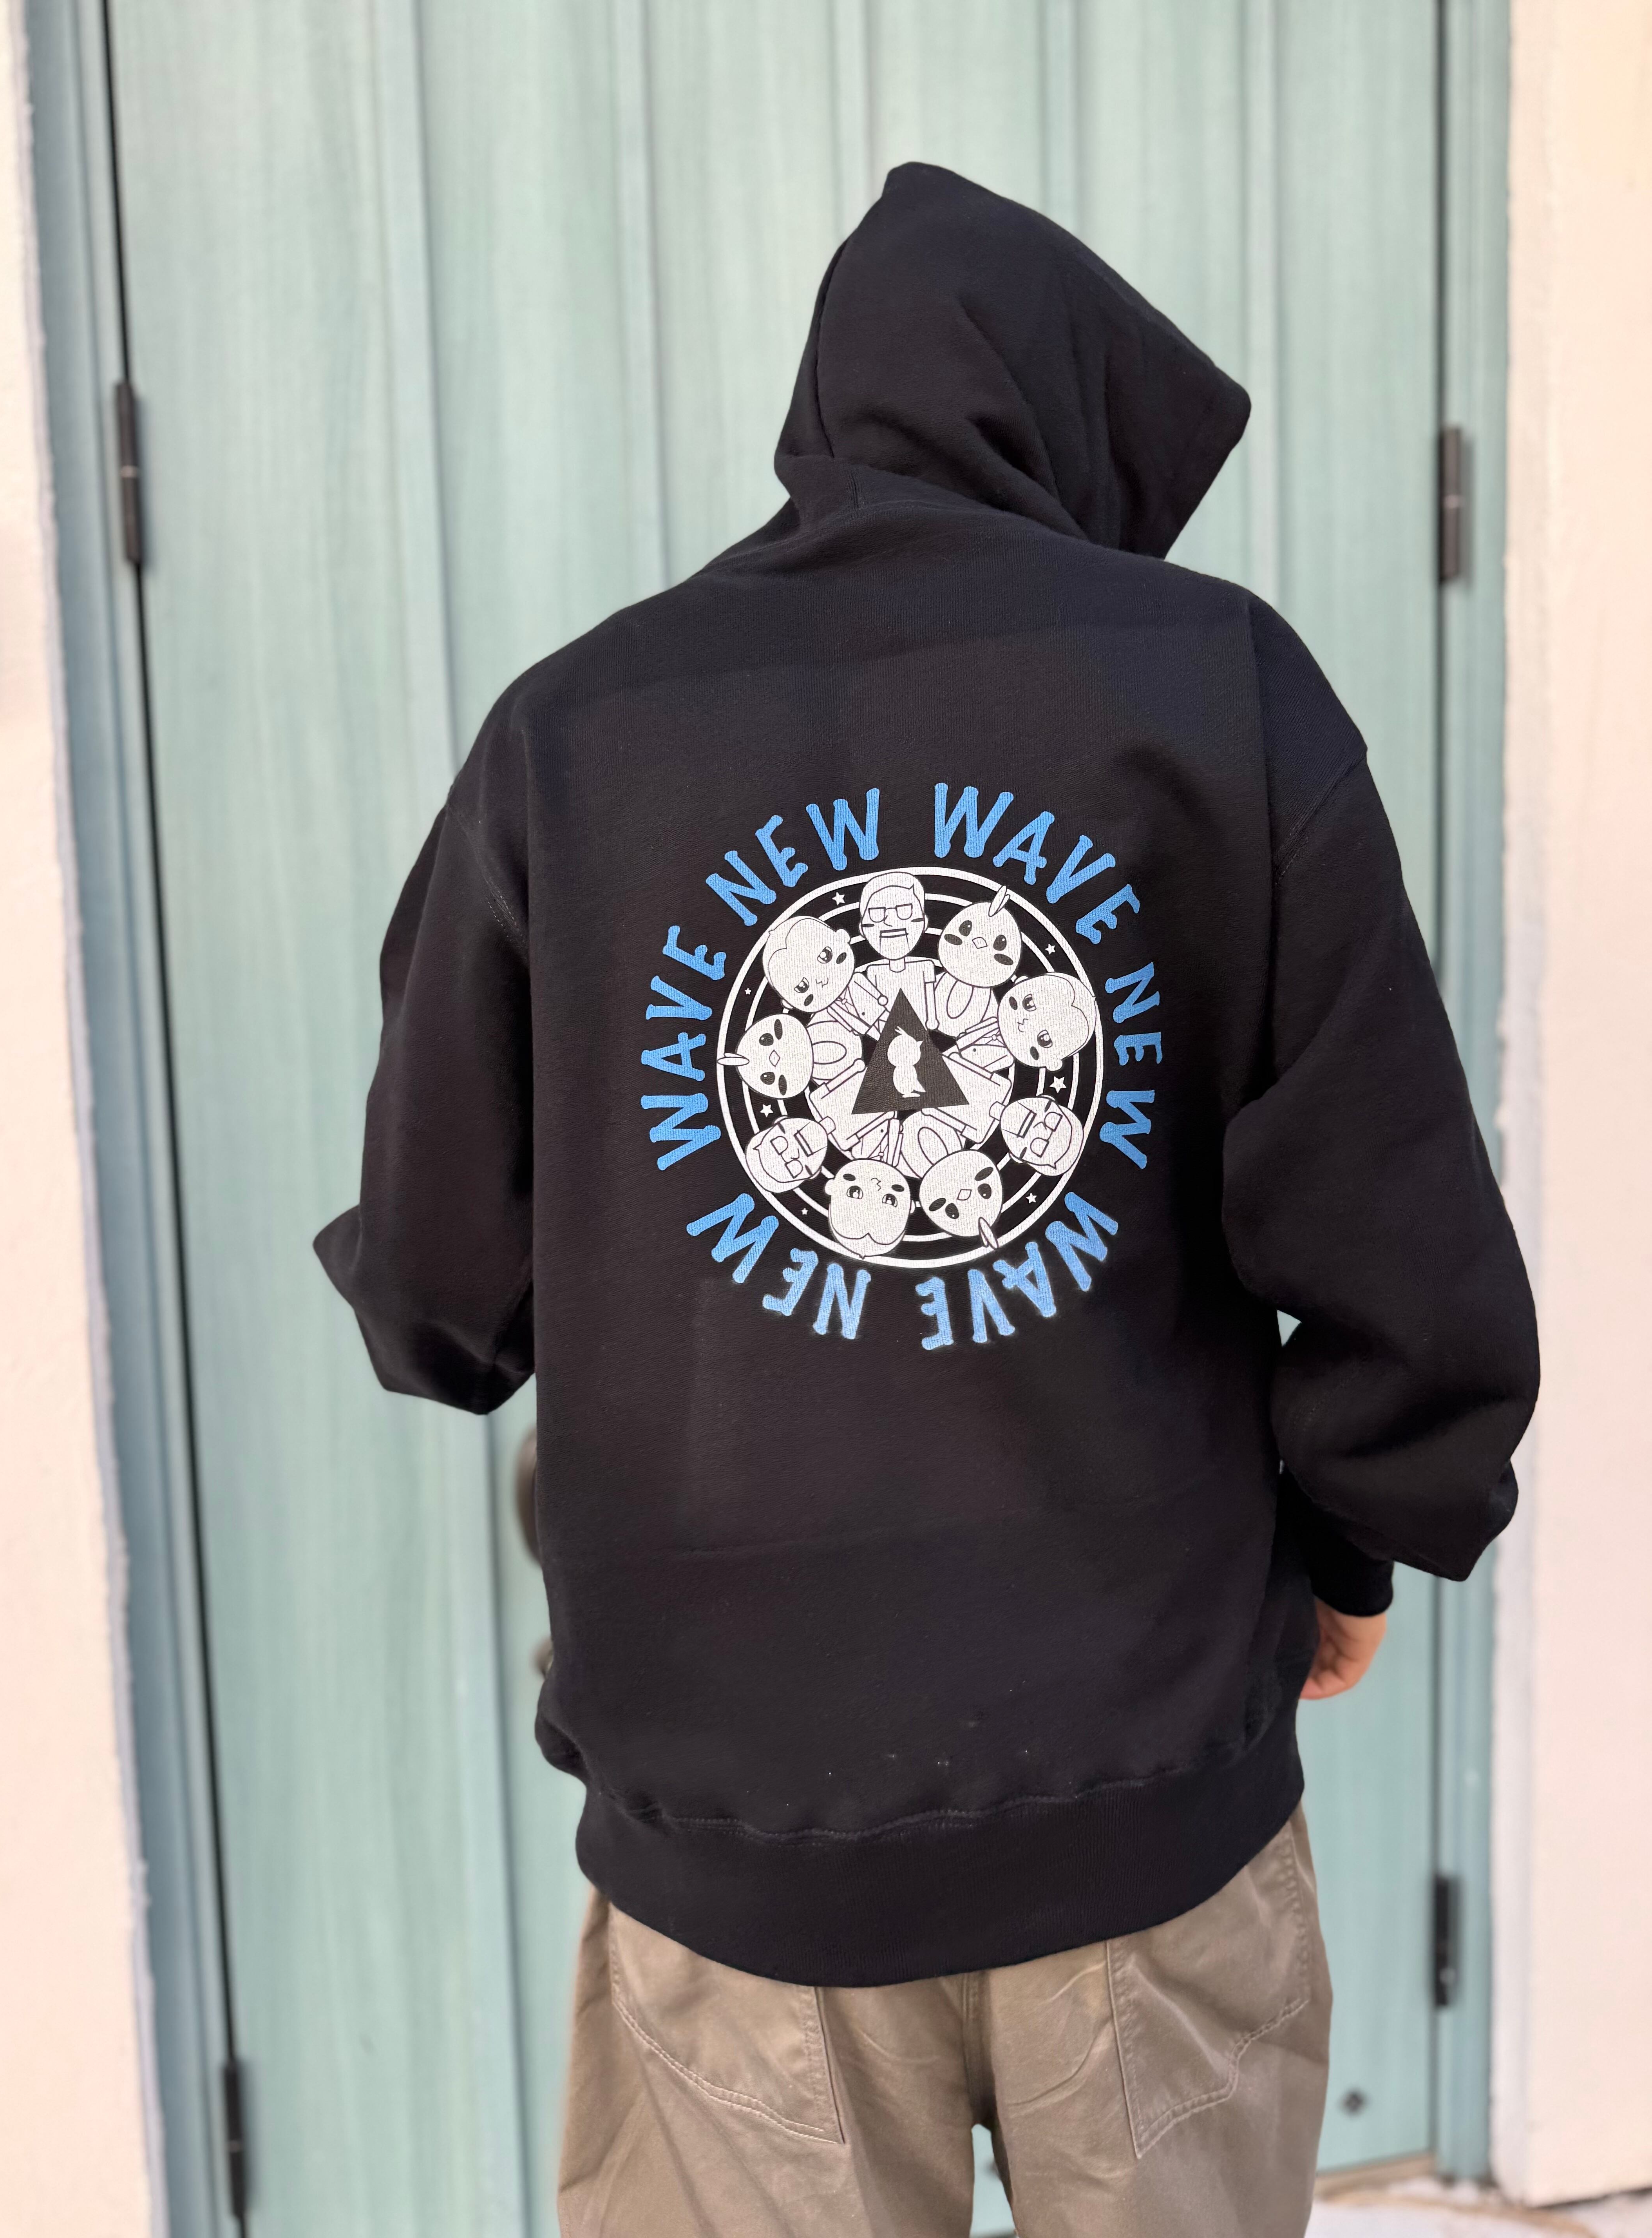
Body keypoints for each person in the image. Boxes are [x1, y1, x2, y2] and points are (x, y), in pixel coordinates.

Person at [317, 165, 1539, 2237]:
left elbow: (440, 1294)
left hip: (737, 1838)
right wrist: (1356, 1542)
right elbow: (1398, 1245)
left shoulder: (579, 735)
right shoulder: (1218, 690)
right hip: (1152, 1804)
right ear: (1065, 425)